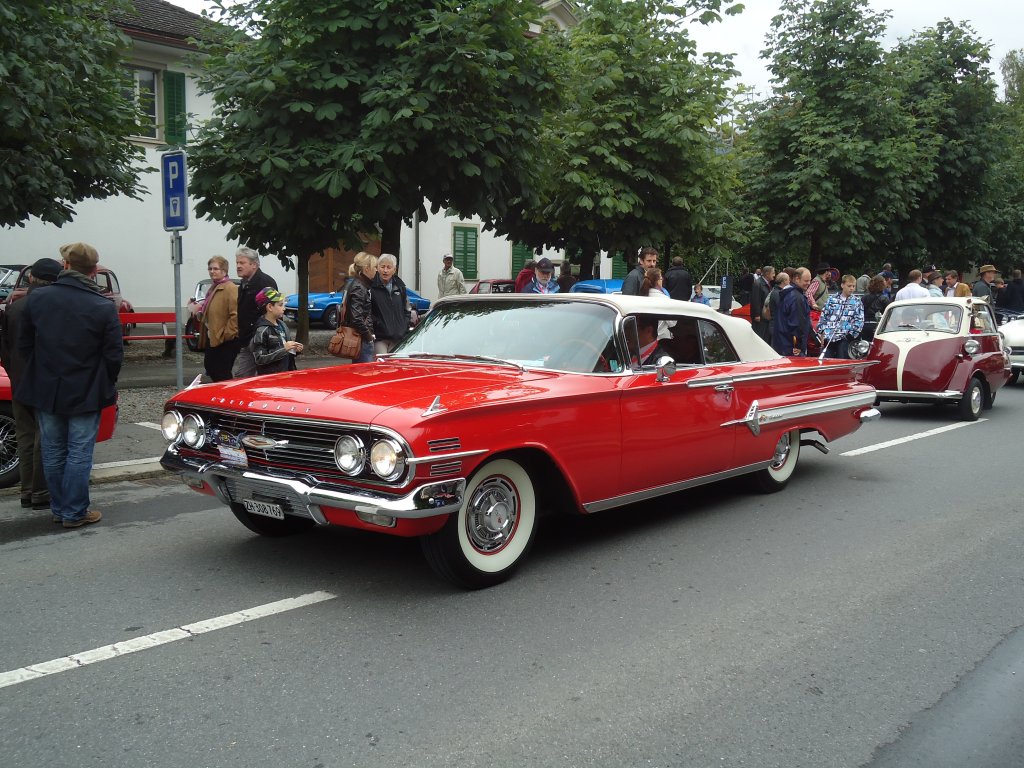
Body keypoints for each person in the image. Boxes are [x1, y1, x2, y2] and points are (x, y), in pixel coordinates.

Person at [16, 242, 122, 528]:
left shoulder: (38, 299)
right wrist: (105, 382)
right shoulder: (102, 305)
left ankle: (61, 508)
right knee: (78, 452)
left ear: (65, 266)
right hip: (86, 388)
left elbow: (24, 345)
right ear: (93, 271)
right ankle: (73, 511)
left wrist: (42, 370)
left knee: (53, 450)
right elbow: (113, 355)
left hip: (47, 385)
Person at [0, 258, 60, 512]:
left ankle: (26, 490)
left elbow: (6, 348)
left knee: (24, 436)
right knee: (43, 437)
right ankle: (40, 492)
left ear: (32, 278)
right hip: (43, 381)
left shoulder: (15, 307)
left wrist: (13, 373)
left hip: (19, 379)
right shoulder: (54, 307)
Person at [233, 247, 278, 378]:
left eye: (242, 263)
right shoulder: (243, 284)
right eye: (237, 263)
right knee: (243, 377)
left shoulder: (265, 282)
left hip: (261, 338)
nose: (238, 266)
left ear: (254, 265)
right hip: (247, 338)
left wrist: (262, 331)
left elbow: (273, 309)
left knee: (263, 376)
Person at [198, 255, 239, 382]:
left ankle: (229, 396)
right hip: (214, 336)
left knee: (221, 372)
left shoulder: (230, 288)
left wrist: (226, 334)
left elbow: (235, 314)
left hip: (225, 339)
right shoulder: (214, 287)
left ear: (224, 271)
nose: (212, 271)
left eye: (215, 269)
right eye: (210, 269)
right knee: (211, 367)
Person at [249, 288, 302, 374]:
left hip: (286, 374)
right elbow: (259, 359)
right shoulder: (261, 330)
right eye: (281, 305)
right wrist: (284, 349)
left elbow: (286, 351)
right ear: (270, 307)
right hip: (271, 378)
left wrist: (294, 350)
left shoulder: (282, 325)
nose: (284, 308)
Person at [369, 253, 412, 354]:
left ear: (394, 269)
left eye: (389, 267)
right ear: (377, 268)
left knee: (395, 367)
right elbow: (368, 312)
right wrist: (378, 324)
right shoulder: (371, 287)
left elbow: (407, 310)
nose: (385, 270)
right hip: (380, 338)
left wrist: (403, 326)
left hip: (398, 337)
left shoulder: (400, 287)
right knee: (382, 366)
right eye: (382, 266)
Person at [817, 275, 865, 359]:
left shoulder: (857, 302)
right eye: (849, 286)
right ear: (842, 285)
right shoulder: (832, 299)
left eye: (853, 286)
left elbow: (859, 320)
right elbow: (824, 316)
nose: (851, 288)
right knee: (825, 361)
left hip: (844, 338)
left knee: (842, 359)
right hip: (829, 337)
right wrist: (822, 331)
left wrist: (851, 335)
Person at [343, 251, 377, 363]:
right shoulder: (359, 287)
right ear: (367, 269)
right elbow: (356, 317)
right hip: (362, 340)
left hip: (362, 338)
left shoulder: (359, 284)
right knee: (365, 374)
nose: (376, 270)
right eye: (375, 267)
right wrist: (368, 336)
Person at [774, 267, 811, 356]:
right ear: (797, 279)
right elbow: (797, 324)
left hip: (783, 343)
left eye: (809, 280)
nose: (808, 283)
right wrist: (798, 347)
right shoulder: (797, 298)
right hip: (792, 347)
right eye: (806, 281)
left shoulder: (788, 294)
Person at [750, 265, 775, 342]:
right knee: (760, 336)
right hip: (760, 316)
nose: (774, 275)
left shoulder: (767, 283)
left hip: (764, 315)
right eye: (773, 273)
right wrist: (757, 315)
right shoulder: (758, 283)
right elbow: (755, 299)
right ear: (767, 274)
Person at [766, 271, 790, 344]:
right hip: (777, 326)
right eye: (788, 279)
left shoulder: (776, 291)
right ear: (784, 281)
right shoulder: (778, 293)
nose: (789, 281)